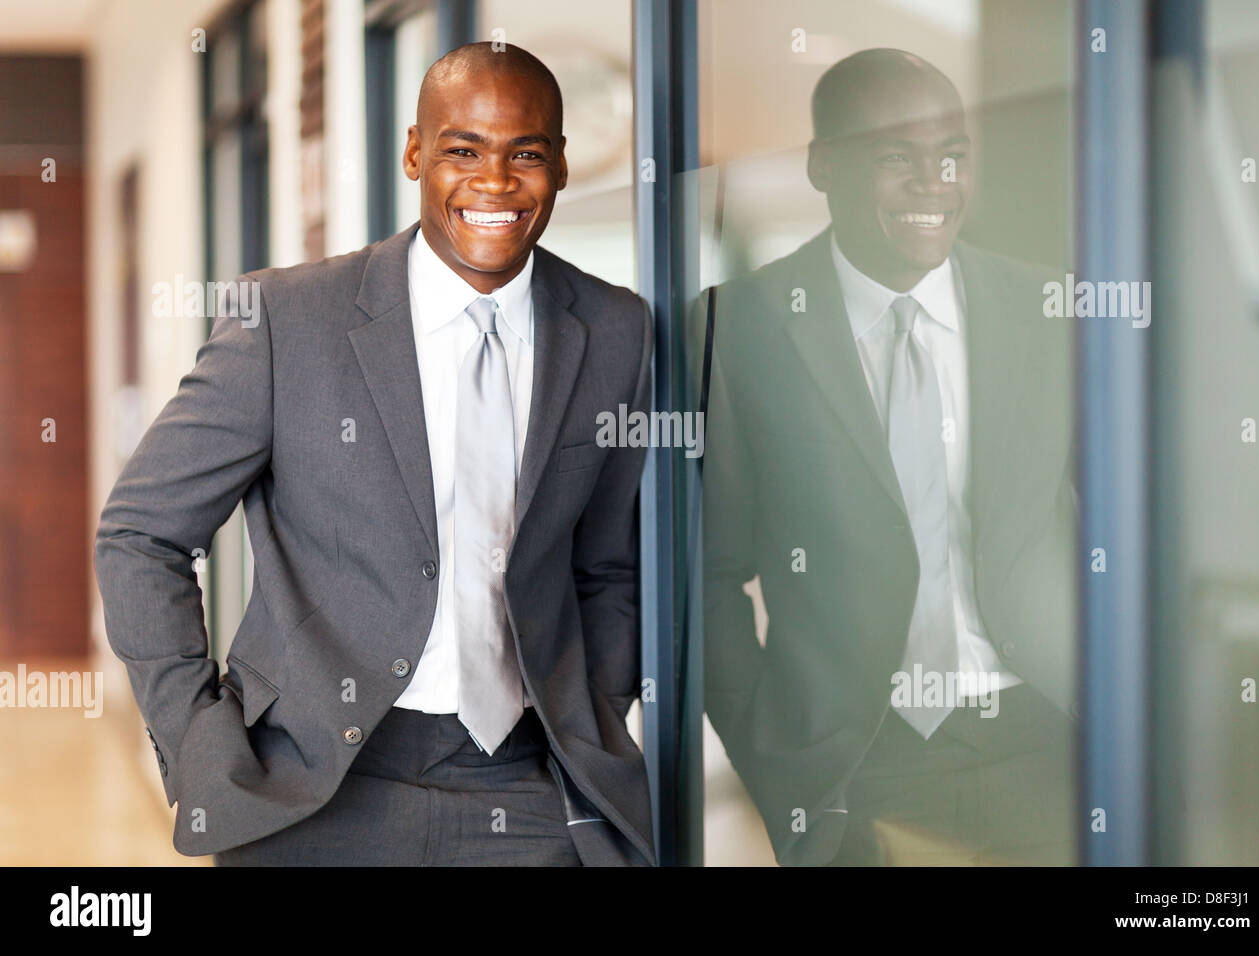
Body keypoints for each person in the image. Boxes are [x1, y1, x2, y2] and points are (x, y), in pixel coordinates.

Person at [94, 42, 654, 866]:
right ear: (414, 154)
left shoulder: (613, 330)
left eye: (524, 154)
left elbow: (605, 564)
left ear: (562, 166)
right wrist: (200, 743)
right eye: (463, 150)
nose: (494, 182)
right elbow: (141, 535)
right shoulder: (288, 321)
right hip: (314, 789)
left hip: (526, 790)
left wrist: (596, 709)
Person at [697, 48, 1077, 866]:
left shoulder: (1049, 312)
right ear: (824, 165)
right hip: (860, 760)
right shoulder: (741, 329)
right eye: (897, 157)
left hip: (1048, 741)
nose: (933, 182)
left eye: (952, 156)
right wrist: (773, 752)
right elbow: (709, 572)